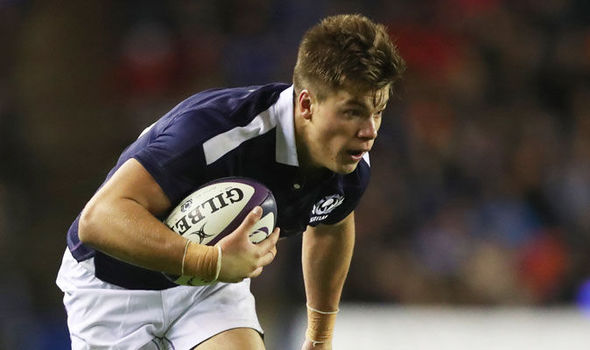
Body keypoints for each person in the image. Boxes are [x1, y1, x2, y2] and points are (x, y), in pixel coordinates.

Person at [56, 13, 405, 350]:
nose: (369, 131)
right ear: (306, 104)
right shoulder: (213, 132)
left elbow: (331, 225)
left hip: (207, 288)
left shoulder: (348, 159)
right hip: (115, 284)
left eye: (378, 111)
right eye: (352, 112)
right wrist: (209, 262)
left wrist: (319, 335)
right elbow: (98, 220)